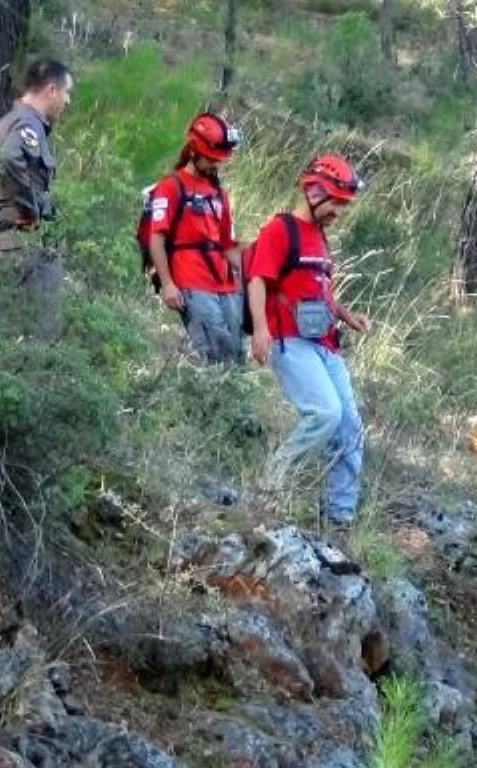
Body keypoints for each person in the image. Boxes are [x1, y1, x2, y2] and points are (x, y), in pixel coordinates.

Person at [245, 154, 371, 536]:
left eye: (343, 204)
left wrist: (349, 317)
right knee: (325, 413)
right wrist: (261, 330)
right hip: (290, 340)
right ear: (314, 192)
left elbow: (321, 294)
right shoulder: (281, 229)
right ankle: (270, 485)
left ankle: (339, 517)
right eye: (335, 202)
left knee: (350, 427)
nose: (339, 211)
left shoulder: (320, 237)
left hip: (325, 344)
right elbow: (258, 280)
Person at [0, 59, 74, 341]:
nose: (68, 102)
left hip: (5, 239)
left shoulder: (11, 121)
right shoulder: (27, 124)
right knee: (41, 333)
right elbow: (10, 157)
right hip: (21, 240)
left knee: (4, 333)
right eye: (68, 93)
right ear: (52, 90)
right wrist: (31, 207)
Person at [147, 113, 243, 363]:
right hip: (191, 281)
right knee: (214, 355)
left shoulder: (220, 194)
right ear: (194, 152)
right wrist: (168, 284)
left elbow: (228, 246)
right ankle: (211, 401)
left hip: (226, 285)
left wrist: (253, 276)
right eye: (212, 159)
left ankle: (229, 402)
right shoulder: (170, 187)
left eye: (219, 160)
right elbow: (155, 238)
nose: (216, 165)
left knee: (236, 354)